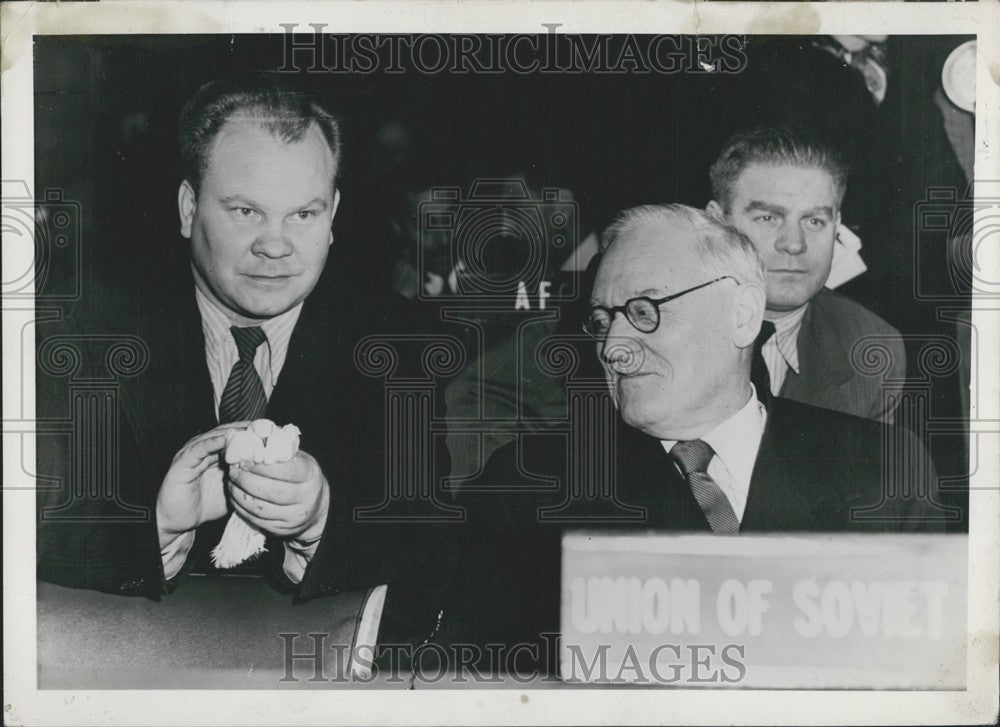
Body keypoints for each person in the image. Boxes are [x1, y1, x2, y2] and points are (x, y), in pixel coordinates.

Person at [445, 204, 947, 667]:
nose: (614, 347)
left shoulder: (880, 470)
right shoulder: (527, 489)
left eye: (644, 311)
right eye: (602, 321)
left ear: (743, 314)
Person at [35, 77, 445, 622]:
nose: (276, 245)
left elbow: (434, 557)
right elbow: (29, 546)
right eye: (246, 211)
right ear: (188, 208)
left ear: (333, 217)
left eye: (304, 214)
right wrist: (155, 527)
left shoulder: (401, 347)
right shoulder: (80, 338)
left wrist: (322, 523)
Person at [706, 127, 905, 422]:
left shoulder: (871, 349)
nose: (794, 243)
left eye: (814, 220)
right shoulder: (650, 331)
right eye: (768, 217)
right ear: (716, 224)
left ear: (837, 227)